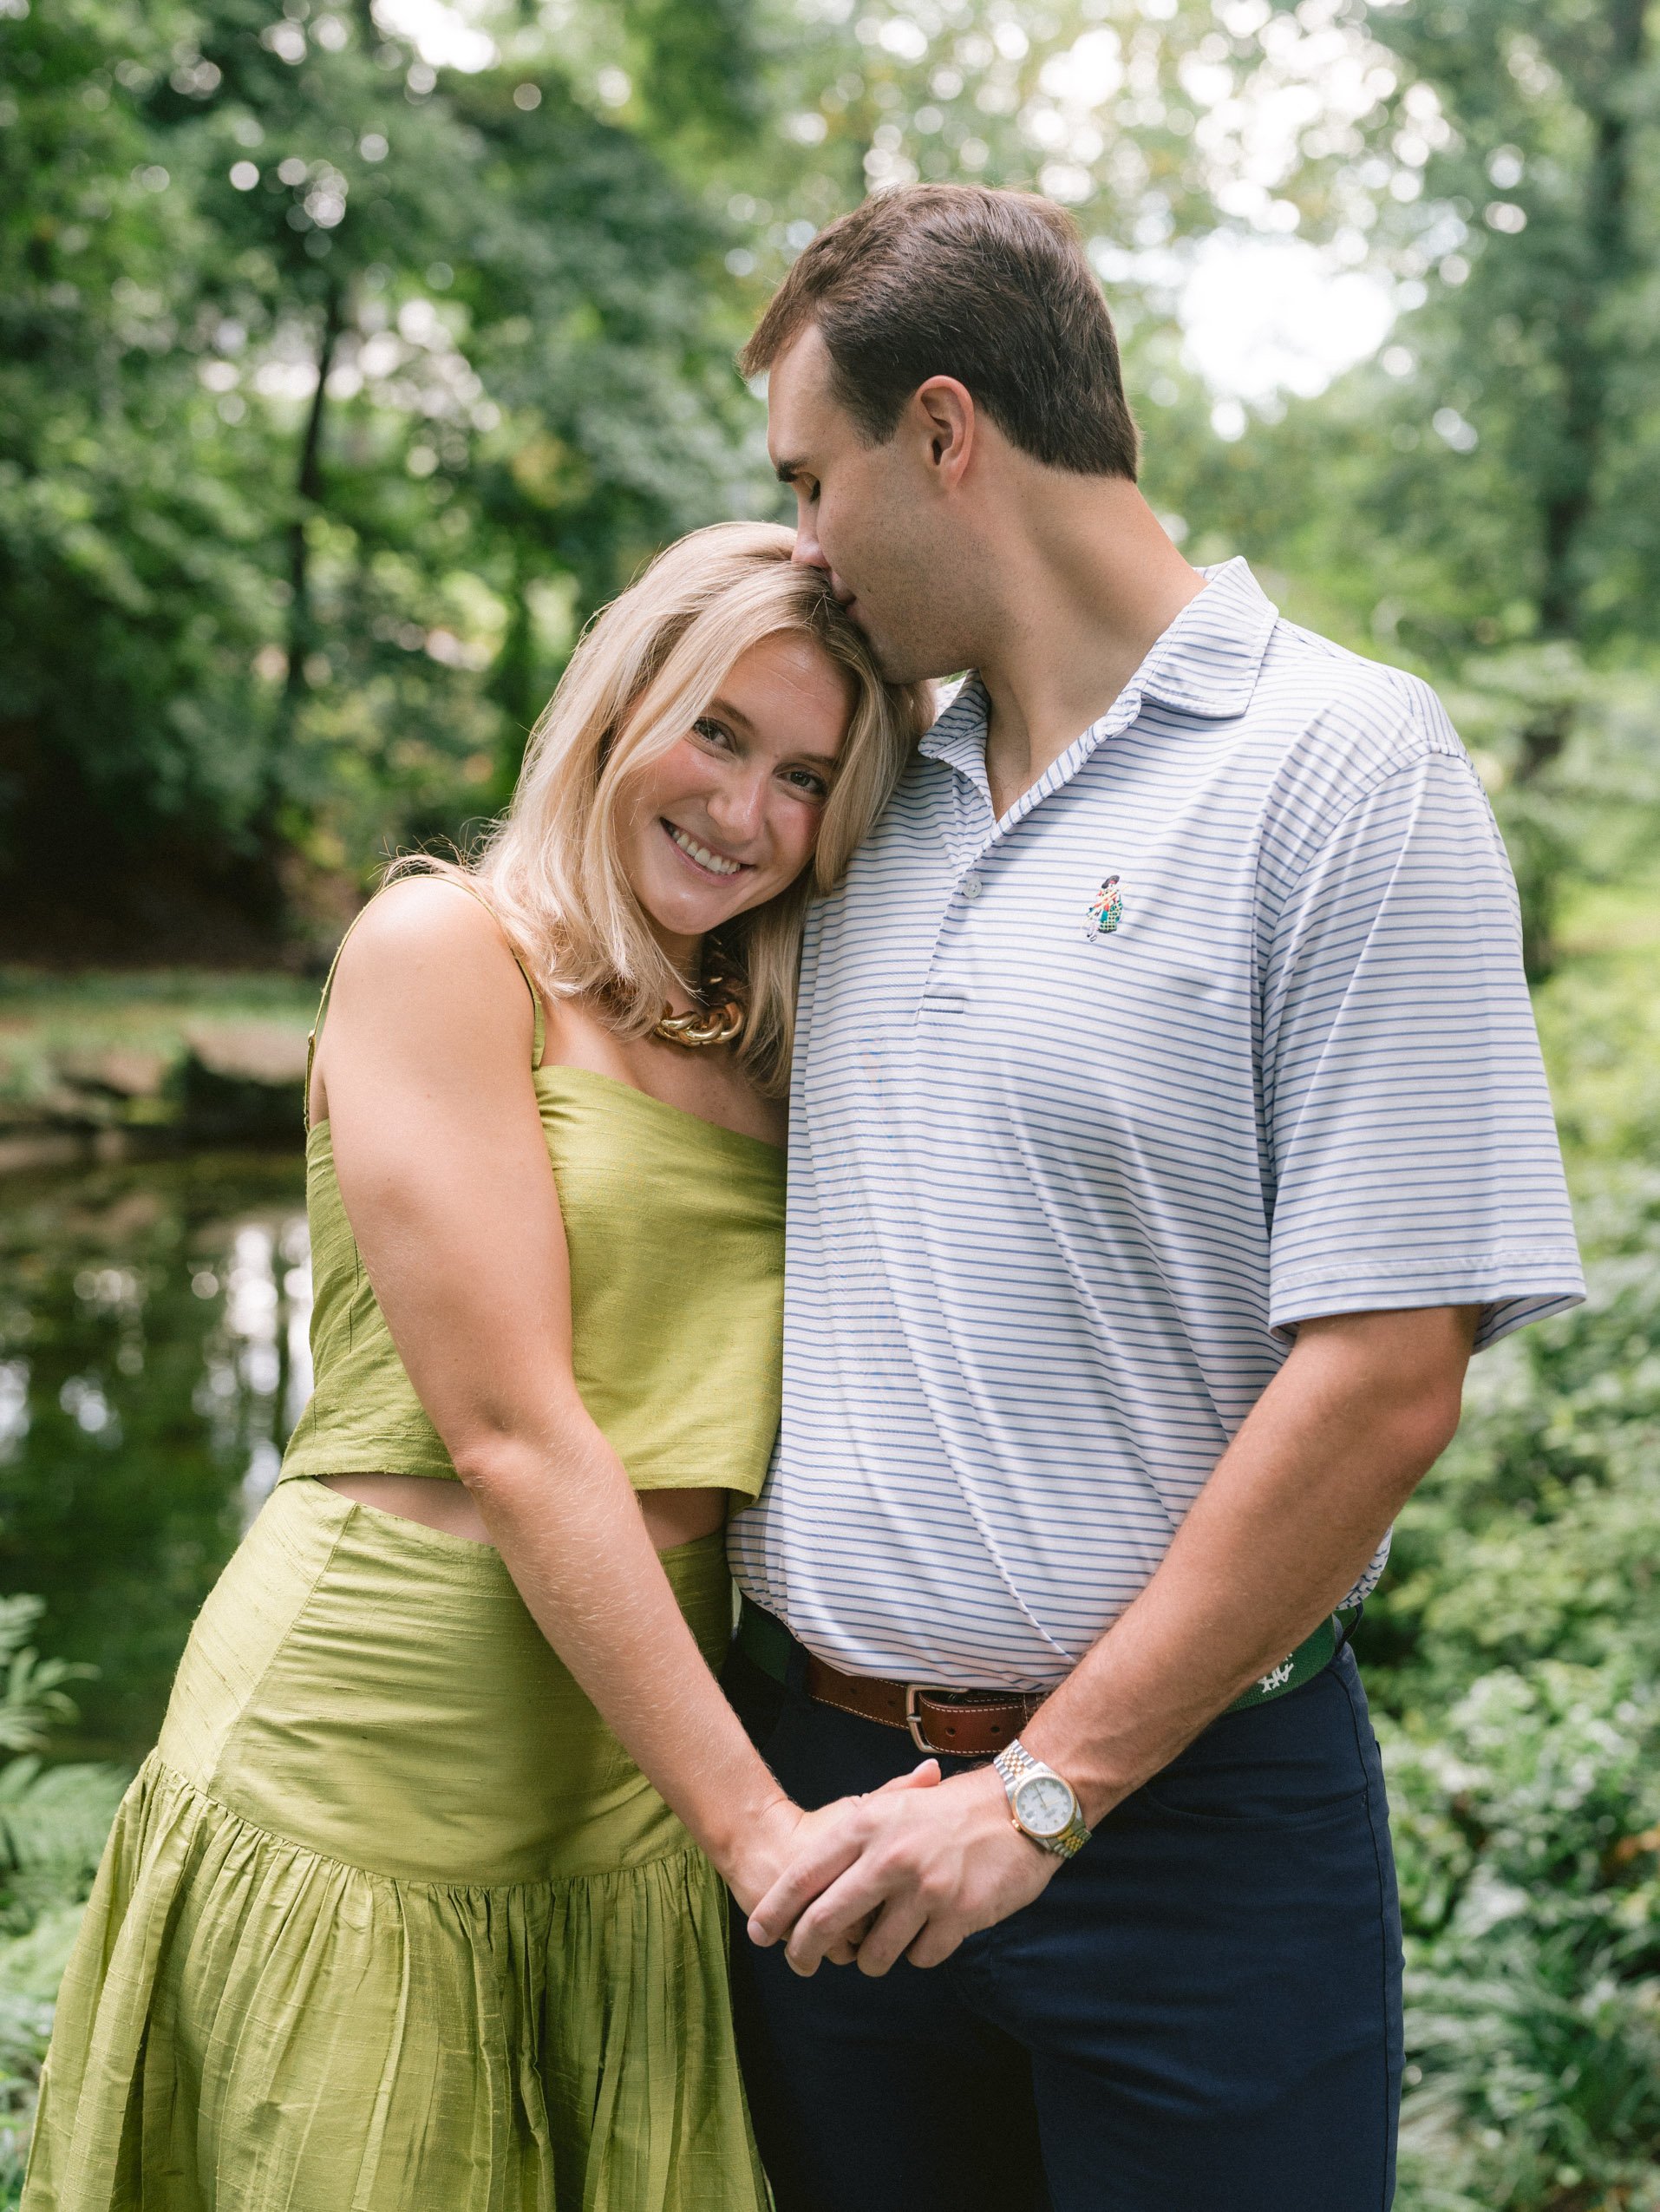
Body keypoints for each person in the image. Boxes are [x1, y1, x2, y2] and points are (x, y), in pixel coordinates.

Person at [722, 186, 1586, 2212]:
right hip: (830, 1823)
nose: (797, 545)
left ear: (946, 434)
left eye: (809, 477)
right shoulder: (854, 793)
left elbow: (1385, 1377)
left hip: (1191, 1840)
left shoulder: (1342, 765)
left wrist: (1038, 1795)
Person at [24, 521, 929, 2212]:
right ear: (612, 706)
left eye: (807, 777)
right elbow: (516, 1435)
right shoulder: (449, 954)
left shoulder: (774, 1036)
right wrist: (757, 1833)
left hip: (637, 1784)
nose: (746, 812)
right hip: (379, 1756)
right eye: (717, 733)